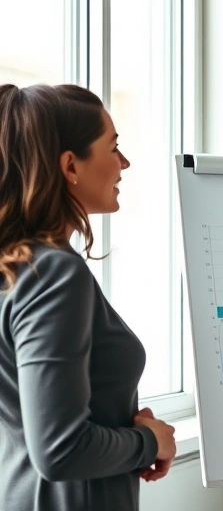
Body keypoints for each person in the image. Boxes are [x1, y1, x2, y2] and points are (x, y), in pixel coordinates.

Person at [0, 83, 177, 511]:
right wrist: (149, 441)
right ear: (70, 166)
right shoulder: (53, 274)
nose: (124, 162)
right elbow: (60, 449)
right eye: (113, 147)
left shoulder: (16, 266)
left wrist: (129, 433)